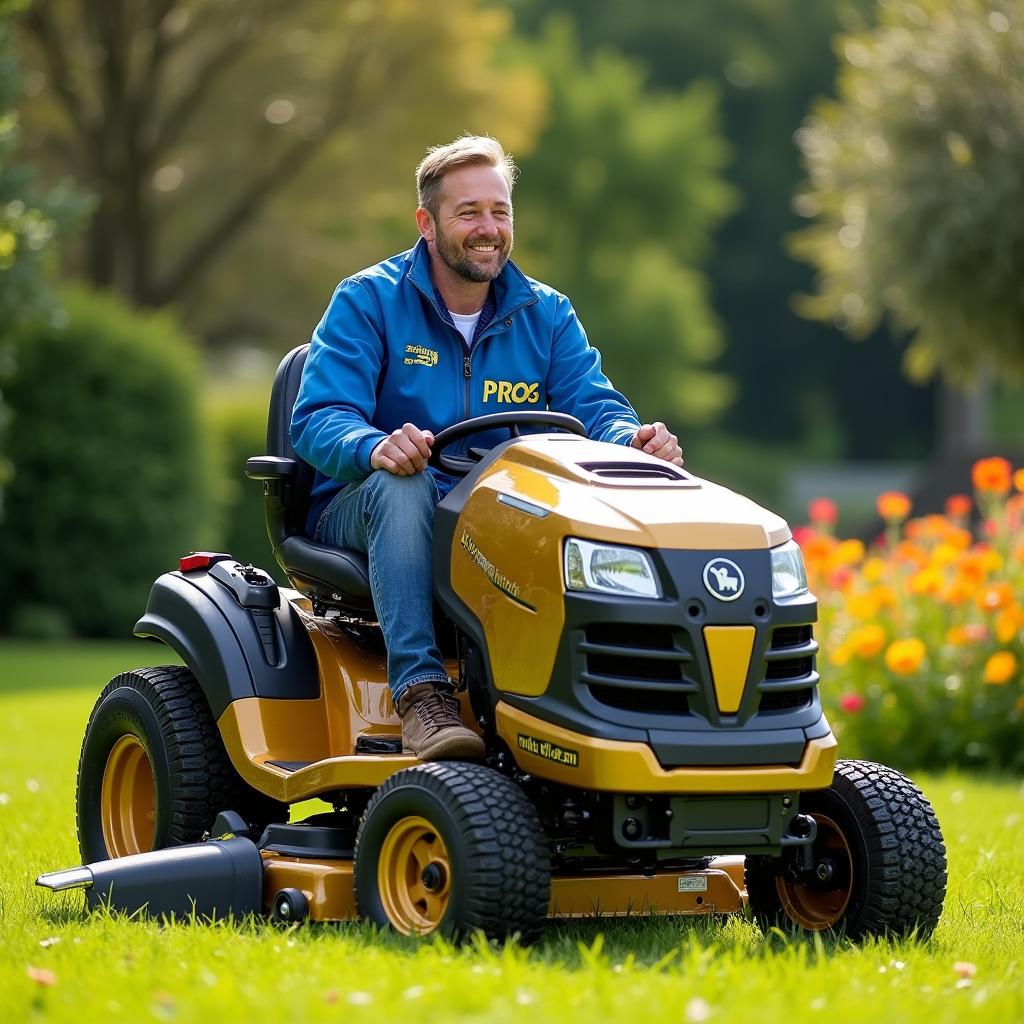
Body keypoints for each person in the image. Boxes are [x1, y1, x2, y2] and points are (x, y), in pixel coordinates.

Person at [291, 136, 683, 760]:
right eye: (468, 212)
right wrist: (373, 445)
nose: (488, 228)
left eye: (500, 212)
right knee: (404, 486)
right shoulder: (367, 300)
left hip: (494, 511)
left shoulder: (548, 315)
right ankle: (422, 697)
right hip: (369, 505)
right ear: (426, 222)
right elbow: (316, 419)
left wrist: (631, 441)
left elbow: (596, 408)